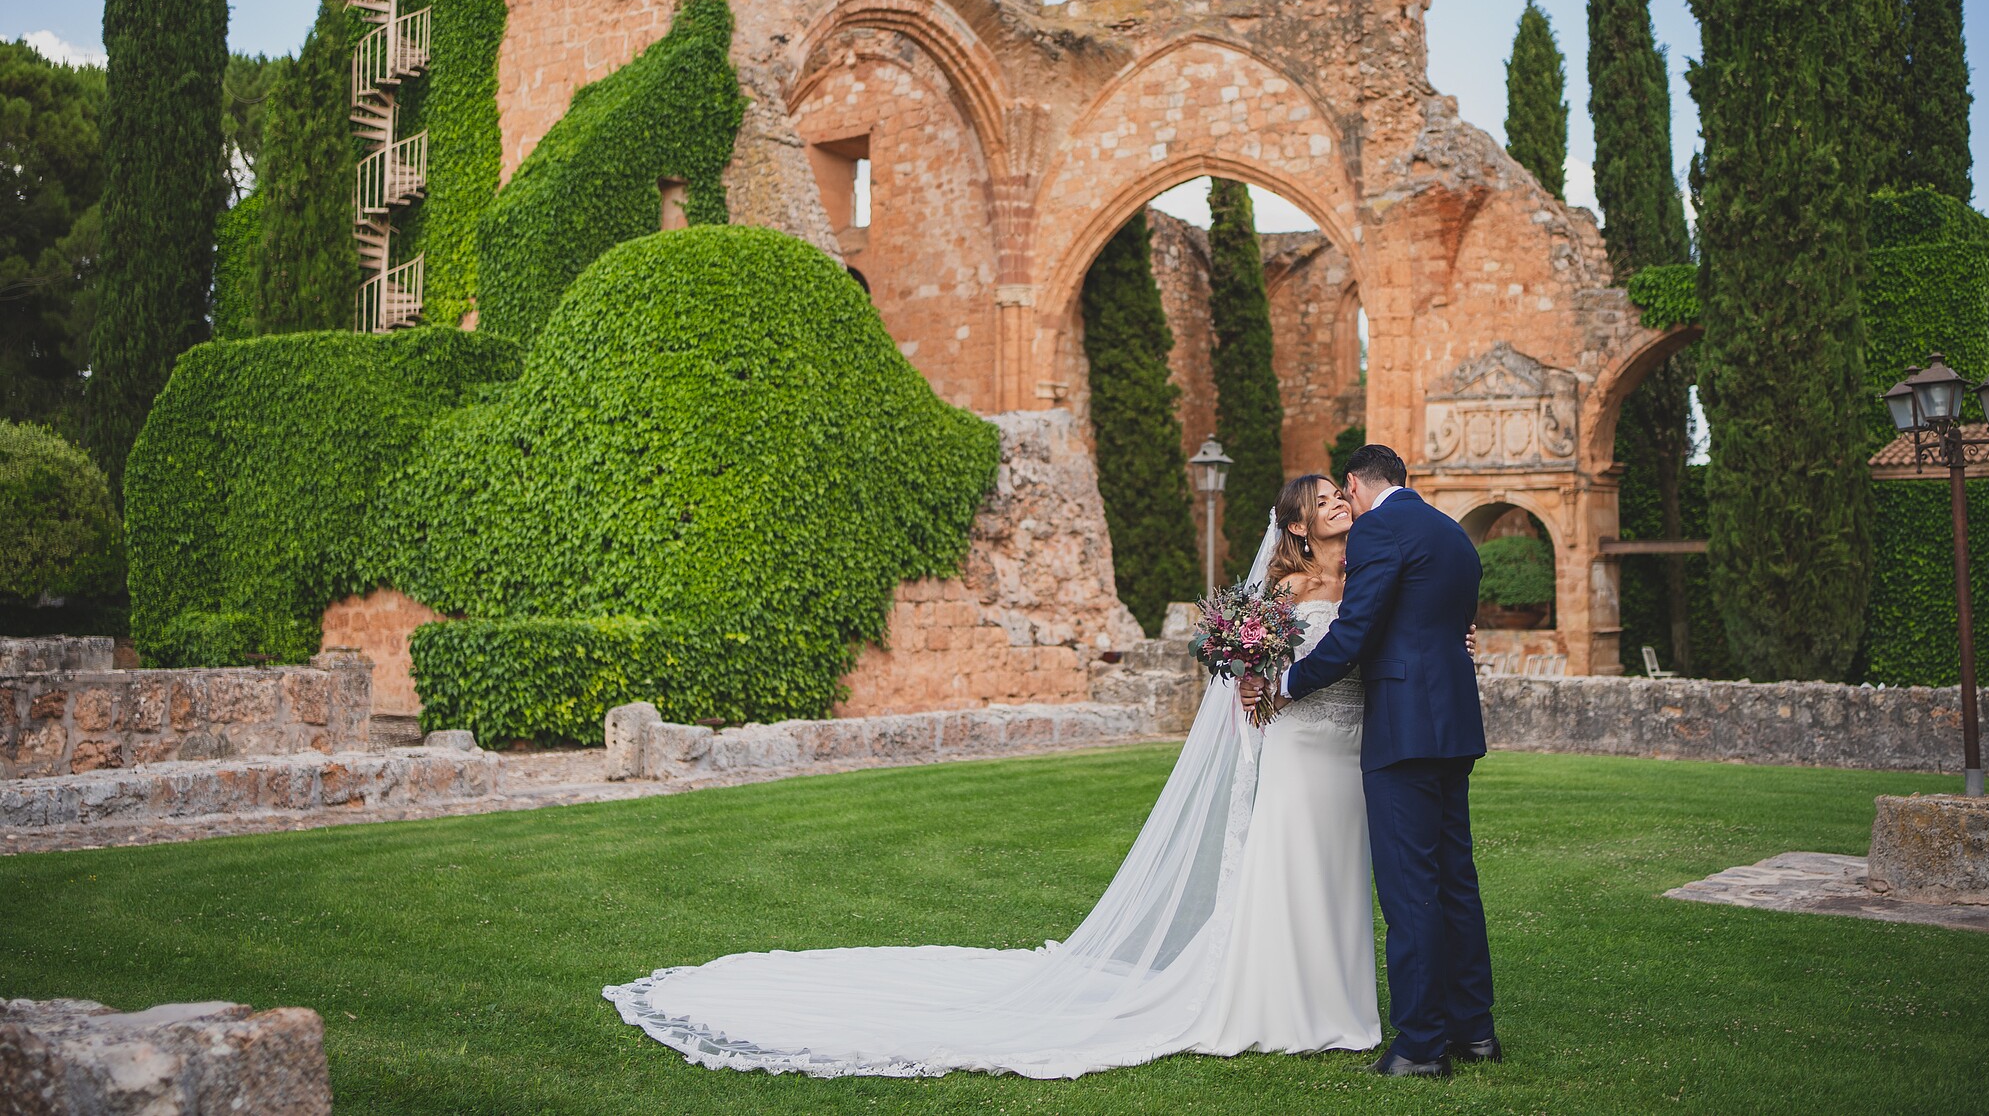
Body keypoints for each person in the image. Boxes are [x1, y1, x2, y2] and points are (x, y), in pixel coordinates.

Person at [602, 473, 1412, 1078]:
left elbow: (1380, 644)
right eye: (1325, 500)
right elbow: (1260, 670)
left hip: (1348, 746)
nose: (1340, 502)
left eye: (1340, 496)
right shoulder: (1288, 589)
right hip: (1301, 744)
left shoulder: (1367, 574)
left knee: (1340, 876)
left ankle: (1339, 1008)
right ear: (1298, 530)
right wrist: (1263, 683)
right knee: (1290, 870)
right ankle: (1276, 1004)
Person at [1242, 443, 1498, 1077]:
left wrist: (1288, 686)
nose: (1341, 504)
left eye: (1341, 492)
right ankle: (1476, 1032)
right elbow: (1448, 621)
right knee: (1455, 882)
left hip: (1401, 730)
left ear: (1356, 483)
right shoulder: (1453, 534)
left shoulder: (1380, 529)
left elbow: (1353, 634)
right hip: (1454, 728)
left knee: (1410, 888)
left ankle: (1419, 1045)